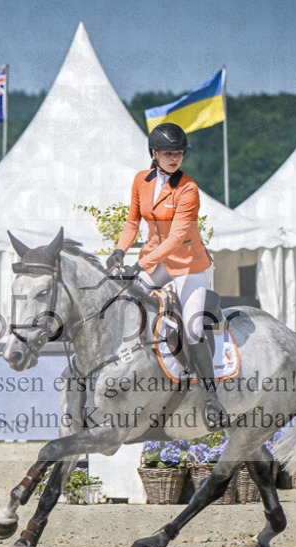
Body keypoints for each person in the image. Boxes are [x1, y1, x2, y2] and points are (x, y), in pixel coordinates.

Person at [105, 122, 227, 431]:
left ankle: (212, 398)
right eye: (168, 153)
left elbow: (175, 239)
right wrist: (120, 251)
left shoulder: (188, 189)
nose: (175, 159)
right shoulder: (140, 181)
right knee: (128, 300)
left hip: (189, 265)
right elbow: (132, 222)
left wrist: (141, 263)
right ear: (153, 153)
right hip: (160, 261)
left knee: (192, 326)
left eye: (179, 154)